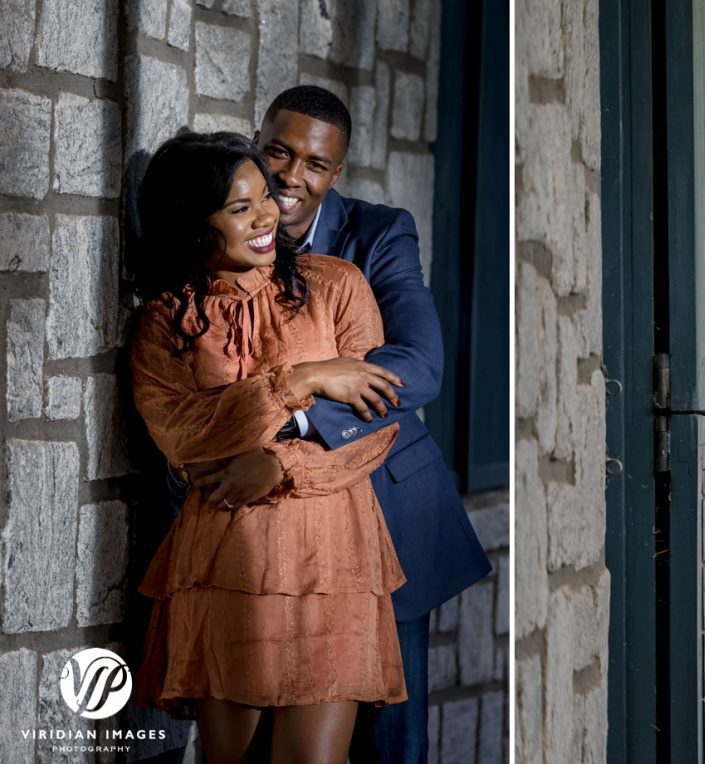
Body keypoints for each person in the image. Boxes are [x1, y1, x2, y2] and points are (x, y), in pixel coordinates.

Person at [180, 85, 492, 761]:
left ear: (336, 172)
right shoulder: (217, 231)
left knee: (390, 747)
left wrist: (292, 423)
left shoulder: (377, 235)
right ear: (256, 144)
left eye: (315, 165)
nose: (293, 177)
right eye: (279, 153)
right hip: (263, 538)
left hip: (383, 523)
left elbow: (417, 366)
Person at [129, 131, 407, 762]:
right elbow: (187, 438)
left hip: (333, 556)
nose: (266, 216)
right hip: (229, 561)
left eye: (263, 198)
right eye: (238, 207)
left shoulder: (337, 286)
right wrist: (301, 381)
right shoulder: (166, 323)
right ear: (193, 222)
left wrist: (276, 461)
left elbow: (374, 424)